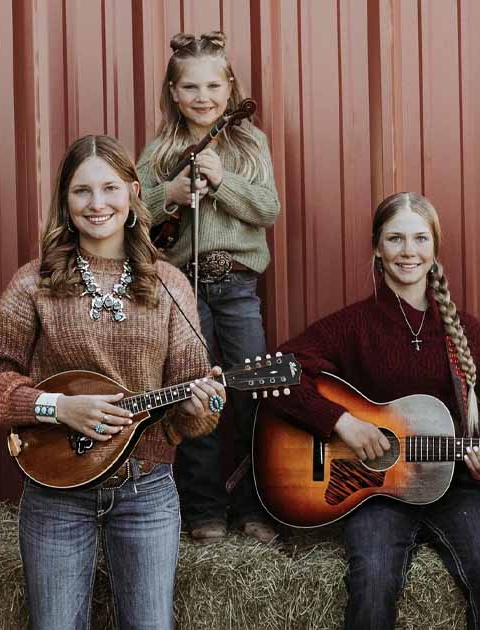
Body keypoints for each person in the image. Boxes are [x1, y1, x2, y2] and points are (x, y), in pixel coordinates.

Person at [0, 134, 225, 630]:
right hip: (56, 493)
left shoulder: (171, 285)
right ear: (65, 201)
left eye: (109, 189)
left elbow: (195, 402)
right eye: (82, 191)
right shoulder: (34, 282)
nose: (97, 204)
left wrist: (199, 406)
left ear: (132, 194)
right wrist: (56, 407)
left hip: (146, 491)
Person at [264, 192, 480, 630]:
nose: (409, 251)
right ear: (377, 249)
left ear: (435, 248)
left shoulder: (464, 329)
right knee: (373, 579)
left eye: (420, 238)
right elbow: (275, 374)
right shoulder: (352, 325)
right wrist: (341, 422)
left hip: (452, 488)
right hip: (374, 490)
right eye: (395, 238)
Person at [137, 30, 281, 544]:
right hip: (183, 289)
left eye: (213, 86)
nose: (203, 97)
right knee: (197, 397)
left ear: (230, 88)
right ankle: (204, 512)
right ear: (173, 93)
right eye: (190, 87)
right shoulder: (159, 150)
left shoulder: (250, 142)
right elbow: (131, 219)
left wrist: (224, 181)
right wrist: (170, 193)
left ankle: (255, 506)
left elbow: (268, 208)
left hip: (238, 287)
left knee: (252, 396)